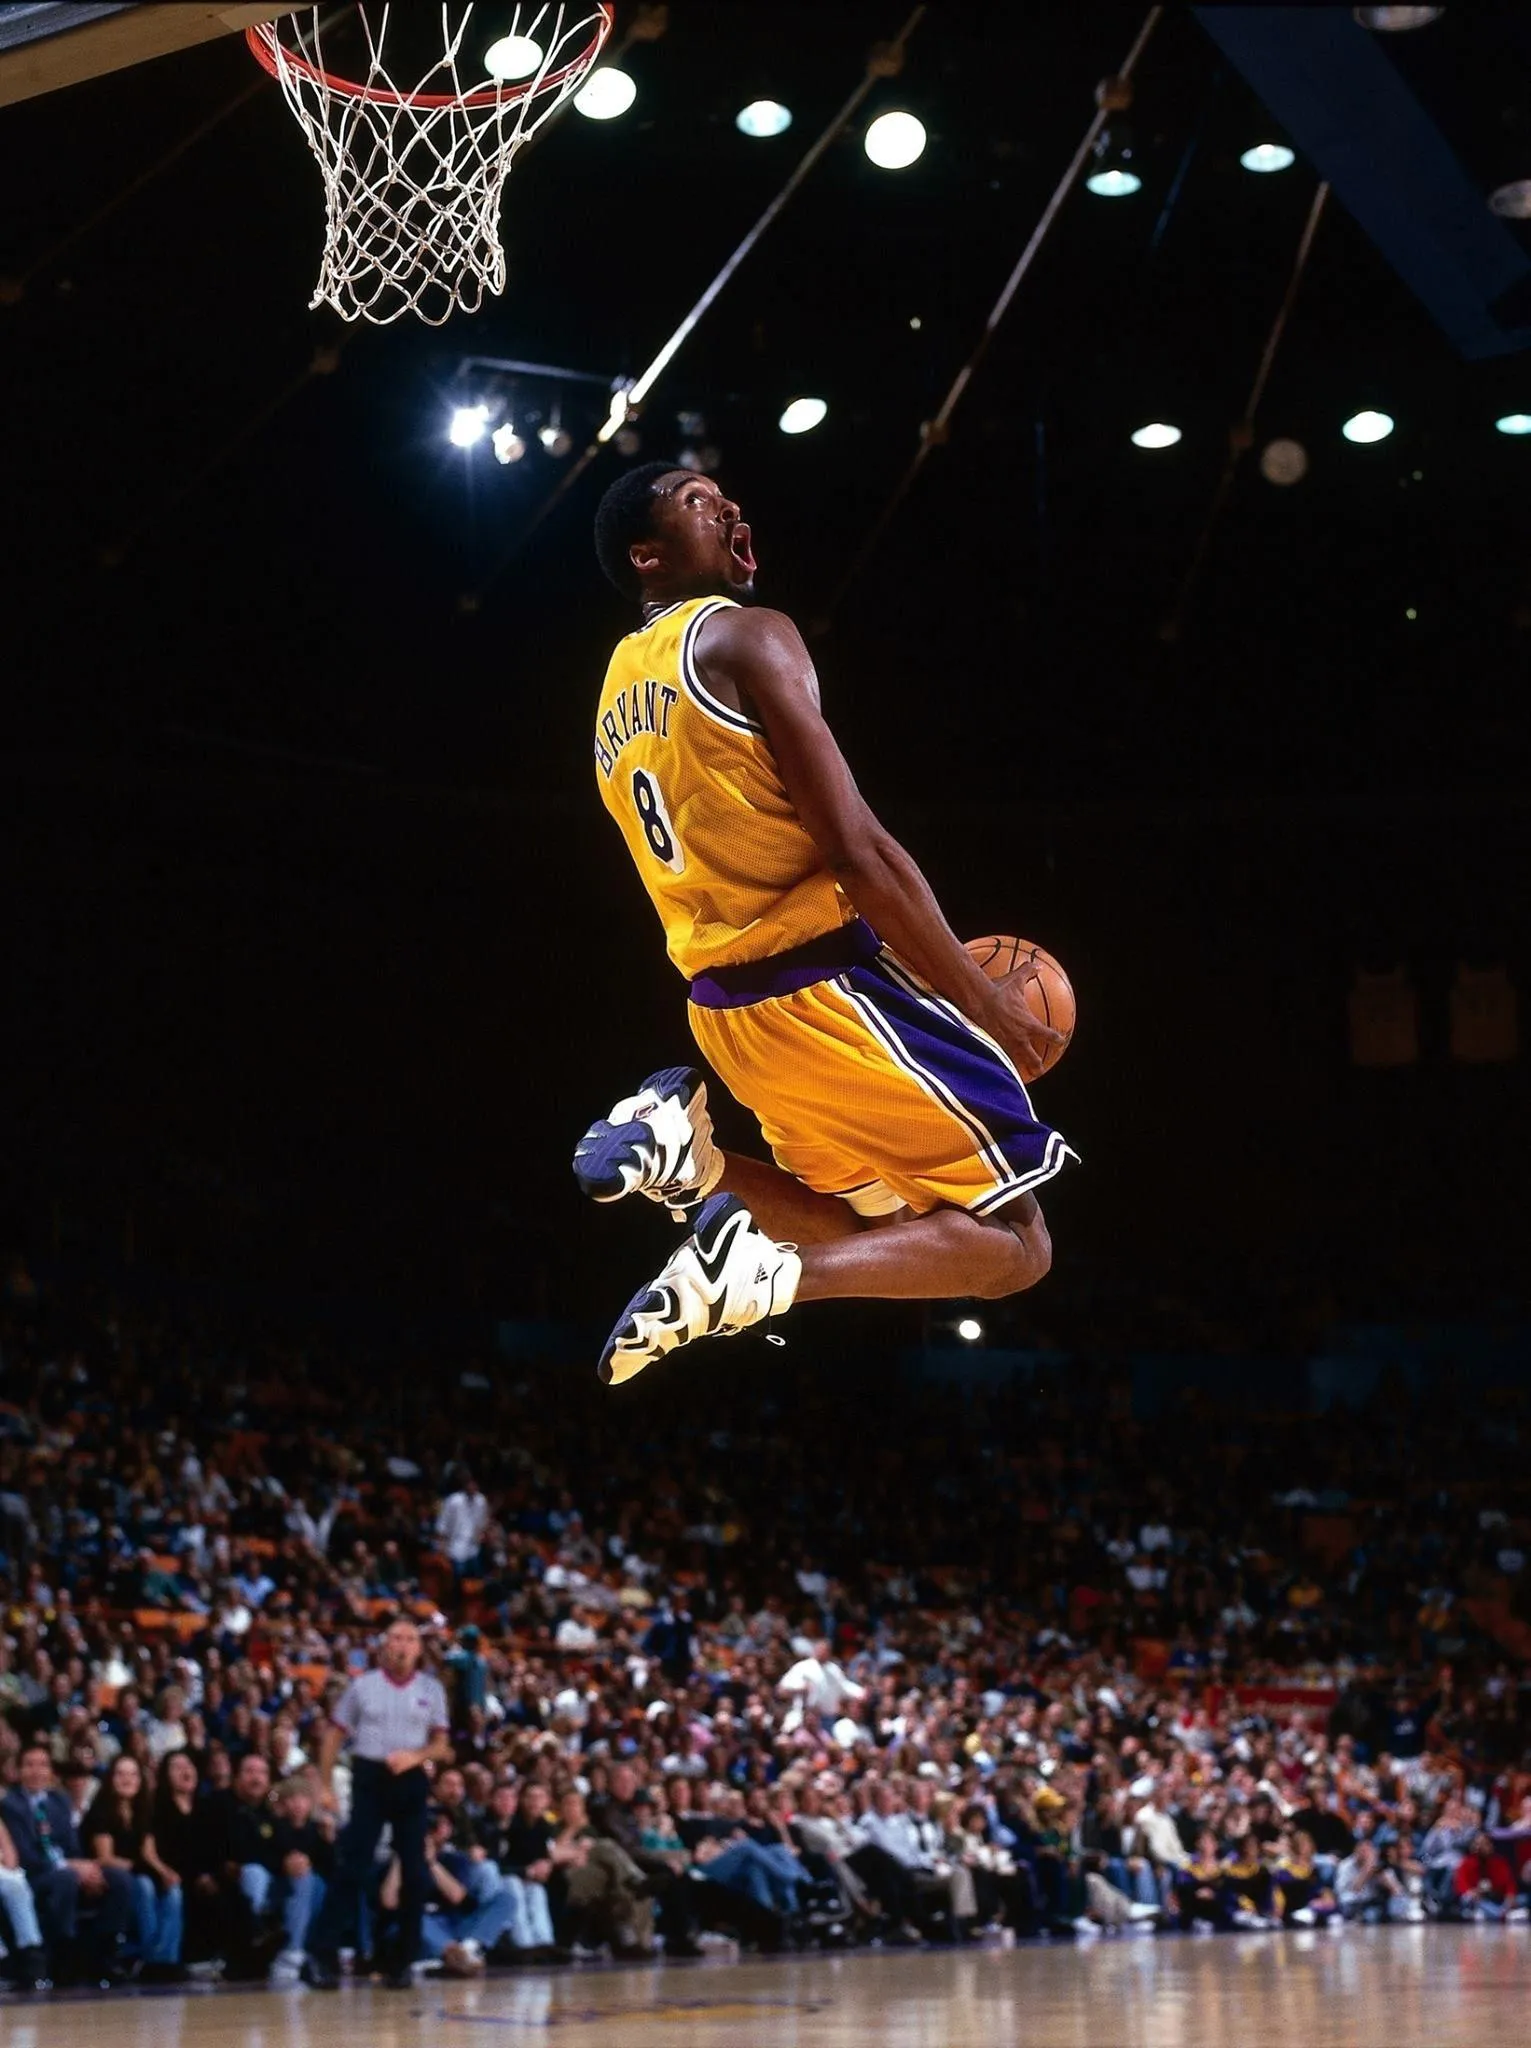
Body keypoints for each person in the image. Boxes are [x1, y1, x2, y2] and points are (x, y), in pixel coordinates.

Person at [574, 463, 1072, 1385]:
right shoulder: (749, 637)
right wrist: (985, 1009)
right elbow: (859, 853)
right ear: (647, 557)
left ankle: (695, 1166)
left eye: (725, 493)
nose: (725, 504)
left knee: (883, 1228)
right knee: (1016, 1243)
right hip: (825, 983)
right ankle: (758, 1280)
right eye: (693, 500)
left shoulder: (612, 691)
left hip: (725, 1012)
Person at [304, 1616, 453, 1989]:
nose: (401, 1644)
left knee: (416, 1873)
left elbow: (441, 1744)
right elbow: (334, 1735)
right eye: (395, 1638)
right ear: (384, 1646)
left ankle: (402, 1960)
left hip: (411, 1777)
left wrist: (416, 1757)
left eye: (409, 1639)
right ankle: (321, 1954)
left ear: (418, 1648)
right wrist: (324, 1784)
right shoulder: (362, 1686)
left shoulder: (432, 1689)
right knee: (353, 1867)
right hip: (370, 1775)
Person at [1, 1740, 133, 1985]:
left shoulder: (59, 1800)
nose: (37, 1771)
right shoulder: (11, 1804)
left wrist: (90, 1870)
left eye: (42, 1765)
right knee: (65, 1879)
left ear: (50, 1771)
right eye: (29, 1765)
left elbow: (73, 1847)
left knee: (119, 1879)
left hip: (68, 1868)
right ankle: (64, 1954)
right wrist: (71, 1867)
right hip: (35, 1874)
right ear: (18, 1771)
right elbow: (27, 1857)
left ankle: (105, 1951)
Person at [83, 1753, 185, 1980]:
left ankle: (167, 1959)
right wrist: (140, 1869)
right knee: (144, 1885)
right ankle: (150, 1960)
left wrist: (165, 1872)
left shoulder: (143, 1812)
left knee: (174, 1890)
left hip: (139, 1870)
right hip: (113, 1875)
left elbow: (148, 1854)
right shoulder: (101, 1812)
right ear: (111, 1779)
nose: (127, 1779)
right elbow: (105, 1857)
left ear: (140, 1780)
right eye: (121, 1774)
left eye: (132, 1774)